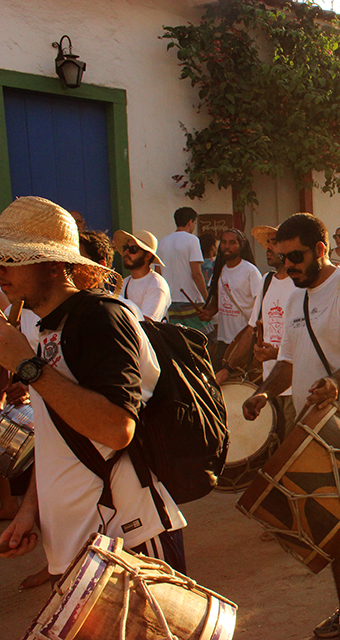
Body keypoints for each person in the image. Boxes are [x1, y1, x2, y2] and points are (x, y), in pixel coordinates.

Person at [0, 196, 187, 577]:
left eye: (13, 258)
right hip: (76, 542)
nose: (2, 269)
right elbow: (59, 436)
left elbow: (117, 429)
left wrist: (25, 365)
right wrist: (29, 510)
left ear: (53, 265)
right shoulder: (42, 328)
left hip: (127, 537)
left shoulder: (101, 318)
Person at [241, 213, 340, 640]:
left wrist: (334, 384)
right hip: (315, 428)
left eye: (296, 257)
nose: (288, 267)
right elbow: (287, 362)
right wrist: (264, 393)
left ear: (321, 249)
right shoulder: (294, 298)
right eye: (281, 259)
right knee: (331, 524)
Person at [219, 225, 297, 431]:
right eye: (267, 243)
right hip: (270, 385)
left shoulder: (301, 284)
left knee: (291, 448)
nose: (268, 248)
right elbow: (251, 329)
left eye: (274, 242)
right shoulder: (266, 281)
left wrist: (278, 354)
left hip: (297, 386)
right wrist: (227, 368)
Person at [201, 229, 262, 371]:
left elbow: (260, 305)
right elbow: (218, 299)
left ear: (241, 246)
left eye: (232, 242)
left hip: (244, 342)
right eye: (224, 242)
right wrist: (209, 312)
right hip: (223, 339)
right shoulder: (220, 270)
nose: (227, 246)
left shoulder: (250, 271)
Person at [156, 206, 209, 332]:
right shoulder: (192, 240)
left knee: (179, 337)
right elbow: (196, 274)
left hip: (170, 300)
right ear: (190, 222)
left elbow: (158, 273)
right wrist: (207, 299)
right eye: (194, 223)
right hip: (190, 299)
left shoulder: (162, 242)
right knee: (204, 336)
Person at [113, 229, 171, 322]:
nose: (127, 253)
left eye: (133, 249)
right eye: (126, 248)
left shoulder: (156, 285)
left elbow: (147, 323)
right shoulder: (124, 283)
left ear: (147, 256)